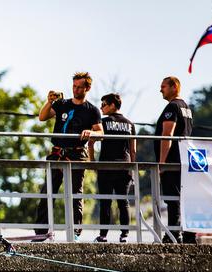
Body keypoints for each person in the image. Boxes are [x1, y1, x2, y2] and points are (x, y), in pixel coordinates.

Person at [34, 72, 103, 241]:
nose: (76, 89)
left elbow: (101, 133)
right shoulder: (62, 104)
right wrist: (49, 101)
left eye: (79, 87)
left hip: (77, 153)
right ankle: (41, 231)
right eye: (74, 86)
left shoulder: (92, 110)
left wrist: (91, 132)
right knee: (47, 191)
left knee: (75, 194)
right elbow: (42, 117)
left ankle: (75, 232)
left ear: (87, 88)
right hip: (57, 152)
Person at [154, 76, 196, 244]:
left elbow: (167, 135)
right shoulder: (187, 108)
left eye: (163, 86)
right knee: (184, 198)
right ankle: (188, 234)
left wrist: (162, 162)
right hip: (185, 159)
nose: (160, 90)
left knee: (173, 198)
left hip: (173, 160)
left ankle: (172, 234)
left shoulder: (172, 106)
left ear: (174, 87)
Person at [94, 93, 137, 243]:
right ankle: (124, 234)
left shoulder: (103, 122)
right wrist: (133, 169)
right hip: (125, 167)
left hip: (106, 166)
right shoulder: (130, 124)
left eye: (104, 104)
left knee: (105, 201)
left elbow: (91, 141)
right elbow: (133, 150)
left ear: (113, 105)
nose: (101, 107)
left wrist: (92, 161)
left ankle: (103, 235)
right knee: (123, 201)